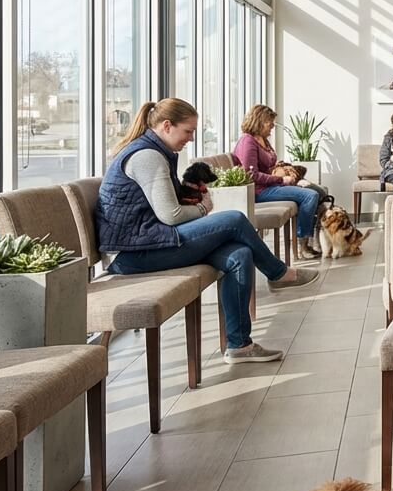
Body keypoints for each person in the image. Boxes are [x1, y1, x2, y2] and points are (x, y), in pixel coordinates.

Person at [99, 99, 320, 365]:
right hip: (135, 253)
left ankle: (239, 345)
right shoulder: (147, 156)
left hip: (150, 242)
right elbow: (171, 215)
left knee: (238, 254)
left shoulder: (155, 151)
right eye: (188, 131)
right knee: (235, 219)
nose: (190, 139)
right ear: (167, 126)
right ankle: (278, 272)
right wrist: (204, 209)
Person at [233, 104, 323, 259]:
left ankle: (314, 238)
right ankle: (302, 244)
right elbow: (251, 175)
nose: (272, 126)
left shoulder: (263, 140)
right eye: (270, 122)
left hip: (272, 185)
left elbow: (269, 166)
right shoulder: (247, 142)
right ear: (260, 121)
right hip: (260, 191)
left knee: (318, 191)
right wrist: (281, 179)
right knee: (310, 196)